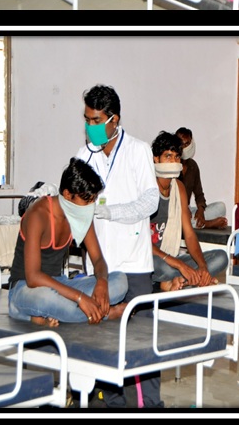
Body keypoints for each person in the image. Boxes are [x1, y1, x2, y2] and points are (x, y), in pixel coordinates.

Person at [74, 84, 162, 408]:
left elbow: (150, 201)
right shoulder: (84, 156)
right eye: (86, 119)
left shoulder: (137, 151)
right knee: (100, 342)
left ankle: (148, 407)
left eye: (96, 120)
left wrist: (112, 212)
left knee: (140, 346)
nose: (90, 127)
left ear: (114, 120)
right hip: (99, 269)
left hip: (134, 264)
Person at [7, 158, 129, 327]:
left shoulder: (81, 214)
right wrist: (79, 297)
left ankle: (46, 316)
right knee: (45, 298)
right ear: (67, 195)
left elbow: (99, 260)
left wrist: (102, 282)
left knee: (120, 281)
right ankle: (105, 313)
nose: (90, 206)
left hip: (60, 284)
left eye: (93, 200)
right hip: (25, 289)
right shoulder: (38, 215)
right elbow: (33, 278)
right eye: (86, 201)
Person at [149, 132, 229, 292]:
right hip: (153, 257)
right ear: (156, 159)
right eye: (168, 156)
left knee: (221, 257)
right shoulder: (147, 186)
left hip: (171, 256)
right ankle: (175, 281)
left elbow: (190, 234)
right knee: (165, 268)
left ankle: (179, 281)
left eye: (177, 157)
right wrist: (180, 265)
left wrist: (203, 267)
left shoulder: (178, 188)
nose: (173, 162)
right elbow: (142, 243)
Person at [175, 127, 228, 230]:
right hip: (176, 211)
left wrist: (200, 210)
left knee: (221, 207)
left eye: (187, 144)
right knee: (182, 219)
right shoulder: (173, 165)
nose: (185, 147)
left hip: (189, 211)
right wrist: (184, 208)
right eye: (182, 144)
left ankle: (199, 222)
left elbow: (199, 194)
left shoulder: (193, 166)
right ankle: (206, 224)